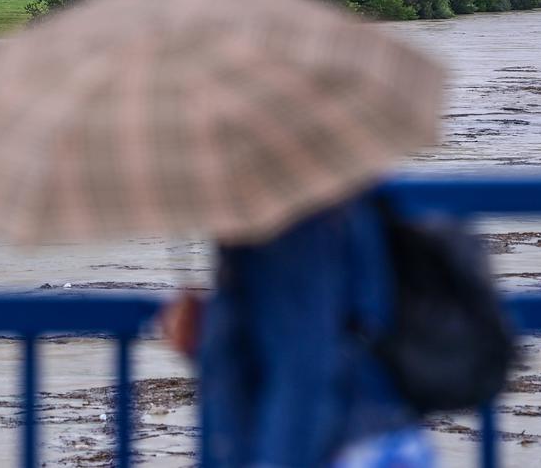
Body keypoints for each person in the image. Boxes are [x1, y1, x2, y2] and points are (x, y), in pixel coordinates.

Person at [165, 192, 434, 468]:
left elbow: (305, 366)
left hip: (327, 442)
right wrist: (210, 332)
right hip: (356, 430)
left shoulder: (295, 223)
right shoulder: (323, 207)